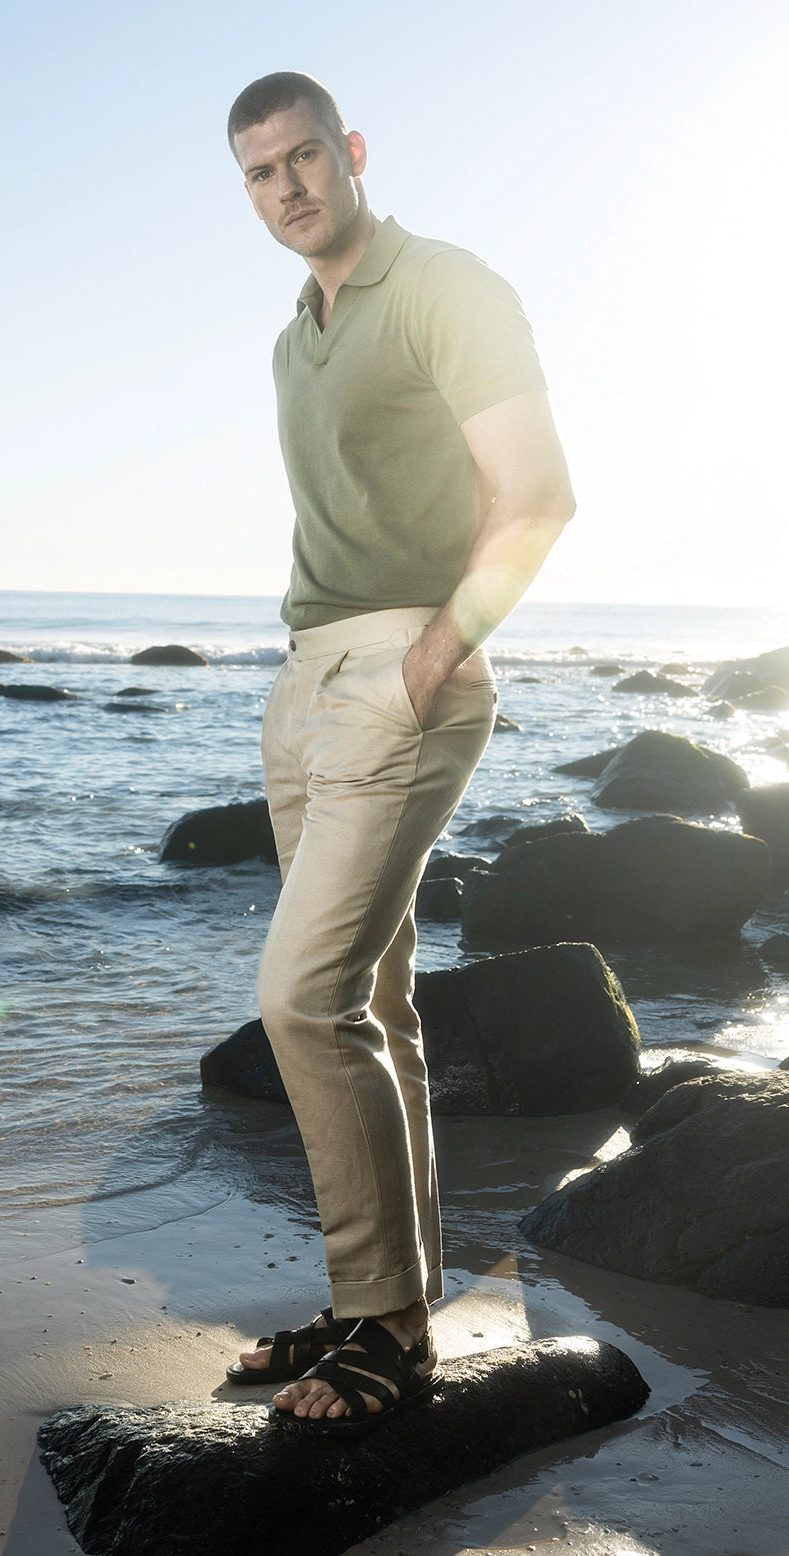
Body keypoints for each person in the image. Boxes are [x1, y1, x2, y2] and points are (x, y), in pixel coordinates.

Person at [224, 71, 575, 1432]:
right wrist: (316, 684)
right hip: (307, 683)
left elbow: (539, 496)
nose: (288, 187)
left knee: (301, 1002)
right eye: (260, 173)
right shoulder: (291, 339)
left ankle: (386, 1336)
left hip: (404, 672)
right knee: (377, 1008)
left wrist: (433, 657)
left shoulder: (447, 288)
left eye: (305, 157)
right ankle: (382, 1303)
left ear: (352, 152)